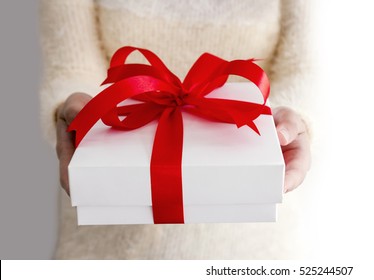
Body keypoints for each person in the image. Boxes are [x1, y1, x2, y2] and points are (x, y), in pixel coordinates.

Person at [40, 0, 314, 259]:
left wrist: (295, 120)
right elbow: (70, 66)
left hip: (256, 242)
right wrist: (74, 113)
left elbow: (307, 67)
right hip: (104, 241)